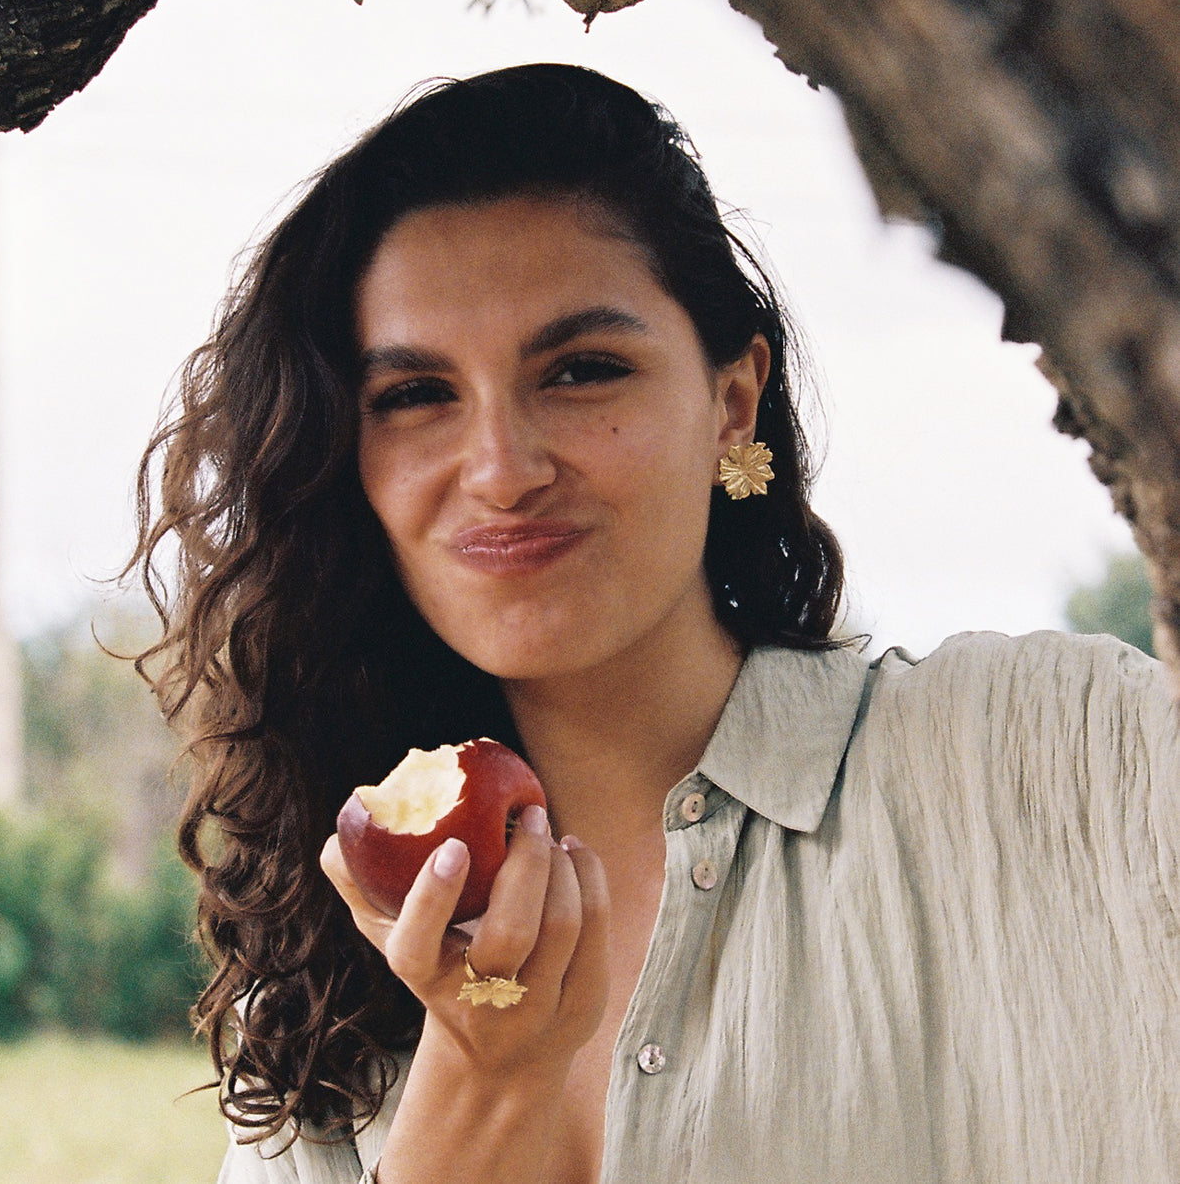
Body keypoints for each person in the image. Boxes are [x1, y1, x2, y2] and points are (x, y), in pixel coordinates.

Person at [128, 64, 1179, 1184]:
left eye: (581, 371)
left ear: (731, 401)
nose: (500, 468)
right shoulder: (324, 951)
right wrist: (484, 1082)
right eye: (416, 395)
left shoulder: (1061, 753)